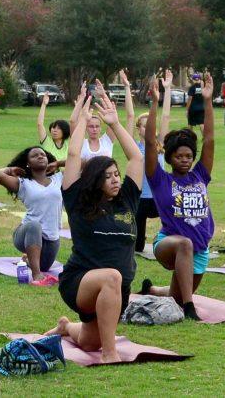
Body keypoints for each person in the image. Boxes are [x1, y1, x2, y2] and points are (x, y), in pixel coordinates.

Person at [47, 81, 144, 364]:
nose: (116, 179)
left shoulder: (126, 200)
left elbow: (136, 156)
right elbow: (74, 155)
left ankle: (67, 327)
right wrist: (80, 121)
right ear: (95, 180)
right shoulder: (79, 201)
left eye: (117, 174)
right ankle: (110, 354)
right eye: (109, 176)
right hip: (81, 283)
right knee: (111, 275)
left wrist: (113, 123)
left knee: (89, 340)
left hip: (116, 293)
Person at [138, 71, 217, 320]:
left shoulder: (200, 175)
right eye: (179, 156)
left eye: (188, 156)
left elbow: (211, 139)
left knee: (175, 295)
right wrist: (154, 103)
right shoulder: (161, 179)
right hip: (168, 245)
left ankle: (150, 289)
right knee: (184, 243)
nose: (185, 160)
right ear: (170, 158)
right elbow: (151, 143)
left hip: (200, 250)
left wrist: (207, 100)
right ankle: (190, 308)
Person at [0, 145, 62, 285]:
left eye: (42, 154)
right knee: (34, 226)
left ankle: (29, 259)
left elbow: (85, 165)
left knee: (45, 266)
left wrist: (59, 163)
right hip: (26, 232)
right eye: (35, 155)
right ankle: (37, 276)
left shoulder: (59, 178)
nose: (40, 156)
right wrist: (10, 170)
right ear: (28, 163)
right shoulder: (24, 183)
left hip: (51, 239)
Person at [133, 70, 172, 253]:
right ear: (139, 129)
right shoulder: (134, 147)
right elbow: (127, 118)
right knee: (138, 245)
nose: (150, 127)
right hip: (141, 197)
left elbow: (165, 117)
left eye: (151, 124)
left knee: (171, 225)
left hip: (159, 196)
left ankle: (167, 243)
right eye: (145, 124)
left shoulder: (161, 145)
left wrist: (168, 89)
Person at [36, 93, 70, 169]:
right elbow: (40, 124)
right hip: (49, 174)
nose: (55, 130)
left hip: (65, 176)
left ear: (65, 131)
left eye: (58, 128)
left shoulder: (69, 143)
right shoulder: (46, 141)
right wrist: (44, 104)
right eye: (53, 128)